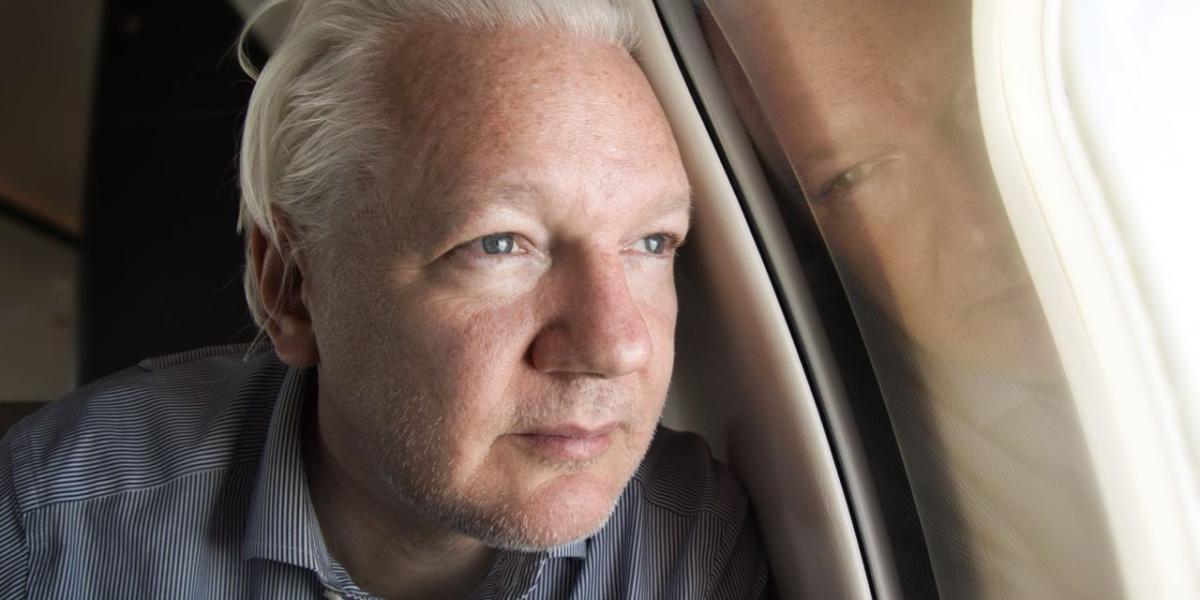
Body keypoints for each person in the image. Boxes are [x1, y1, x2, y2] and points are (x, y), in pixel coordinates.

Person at [0, 1, 770, 598]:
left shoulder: (696, 544)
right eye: (500, 244)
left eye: (652, 242)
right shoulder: (48, 520)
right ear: (292, 287)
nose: (618, 345)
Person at [697, 0, 1119, 597]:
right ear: (798, 225)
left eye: (982, 102)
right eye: (854, 176)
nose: (978, 224)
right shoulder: (855, 490)